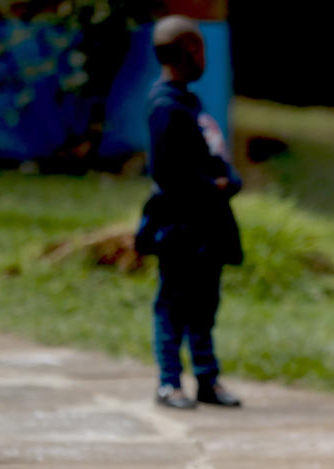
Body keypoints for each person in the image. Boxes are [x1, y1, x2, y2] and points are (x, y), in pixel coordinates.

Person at [134, 15, 243, 410]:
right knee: (173, 306)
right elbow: (167, 172)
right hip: (180, 229)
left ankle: (206, 379)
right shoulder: (165, 106)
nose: (204, 56)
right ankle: (169, 383)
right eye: (200, 48)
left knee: (203, 307)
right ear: (190, 51)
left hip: (206, 228)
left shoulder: (188, 101)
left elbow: (215, 157)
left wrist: (228, 179)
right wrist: (212, 185)